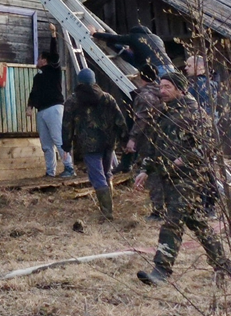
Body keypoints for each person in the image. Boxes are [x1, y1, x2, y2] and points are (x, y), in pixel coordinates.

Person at [134, 72, 231, 286]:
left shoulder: (194, 113)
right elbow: (154, 145)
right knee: (198, 223)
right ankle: (224, 264)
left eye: (168, 87)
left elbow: (207, 147)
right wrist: (145, 170)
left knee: (172, 222)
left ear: (180, 89)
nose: (163, 91)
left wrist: (182, 160)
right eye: (161, 87)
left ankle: (161, 271)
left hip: (190, 179)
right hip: (168, 178)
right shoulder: (163, 113)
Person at [61, 68, 128, 220]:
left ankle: (107, 213)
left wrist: (66, 145)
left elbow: (67, 125)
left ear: (79, 81)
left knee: (97, 177)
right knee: (106, 173)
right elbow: (119, 120)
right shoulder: (107, 98)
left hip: (88, 145)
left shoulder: (73, 100)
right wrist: (124, 139)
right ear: (94, 80)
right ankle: (110, 207)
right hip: (108, 142)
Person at [26, 23, 75, 178]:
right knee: (46, 144)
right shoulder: (37, 76)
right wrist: (29, 107)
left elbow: (54, 54)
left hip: (54, 108)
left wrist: (53, 35)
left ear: (45, 60)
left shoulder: (53, 70)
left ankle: (69, 167)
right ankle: (50, 171)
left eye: (39, 58)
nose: (37, 60)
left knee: (58, 139)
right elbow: (34, 93)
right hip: (41, 111)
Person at [124, 64, 166, 221]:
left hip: (149, 140)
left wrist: (132, 139)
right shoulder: (162, 93)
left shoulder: (144, 97)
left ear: (141, 78)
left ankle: (158, 211)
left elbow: (142, 120)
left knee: (152, 173)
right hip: (165, 139)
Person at [185, 55, 221, 219]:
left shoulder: (198, 87)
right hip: (211, 132)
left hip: (201, 133)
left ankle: (209, 206)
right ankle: (210, 203)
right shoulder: (212, 84)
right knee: (207, 168)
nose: (186, 68)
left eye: (189, 65)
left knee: (203, 169)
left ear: (199, 67)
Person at [92, 25, 173, 77]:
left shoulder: (134, 37)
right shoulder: (156, 38)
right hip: (169, 66)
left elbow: (116, 38)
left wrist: (95, 34)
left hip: (155, 69)